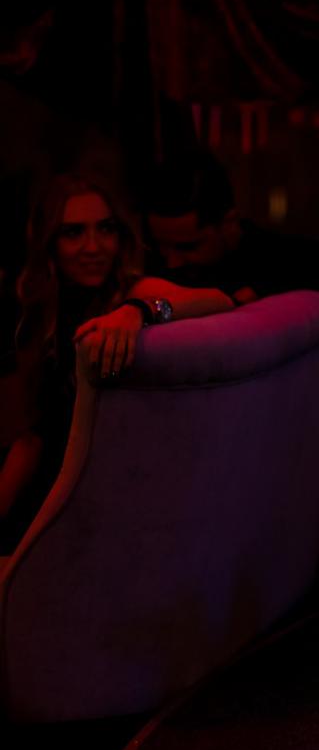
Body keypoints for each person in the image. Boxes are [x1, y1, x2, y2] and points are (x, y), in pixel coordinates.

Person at [1, 171, 233, 552]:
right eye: (74, 232)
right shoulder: (39, 313)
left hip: (114, 500)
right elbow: (31, 438)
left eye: (105, 229)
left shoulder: (131, 290)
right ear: (50, 243)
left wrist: (138, 310)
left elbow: (219, 301)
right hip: (50, 491)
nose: (94, 246)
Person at [142, 149, 319, 302]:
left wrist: (259, 289)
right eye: (161, 246)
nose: (171, 263)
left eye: (188, 247)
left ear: (228, 224)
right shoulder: (153, 262)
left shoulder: (268, 255)